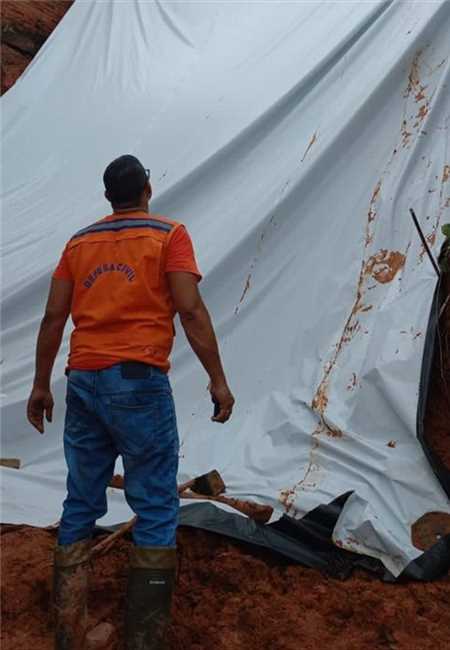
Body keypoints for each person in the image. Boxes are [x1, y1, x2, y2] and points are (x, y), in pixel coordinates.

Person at [26, 154, 235, 650]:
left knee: (81, 499)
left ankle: (69, 633)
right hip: (139, 383)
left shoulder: (80, 243)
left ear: (107, 198)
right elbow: (190, 307)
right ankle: (144, 640)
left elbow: (54, 317)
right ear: (147, 188)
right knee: (157, 504)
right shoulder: (169, 235)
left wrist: (40, 384)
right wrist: (218, 380)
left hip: (83, 382)